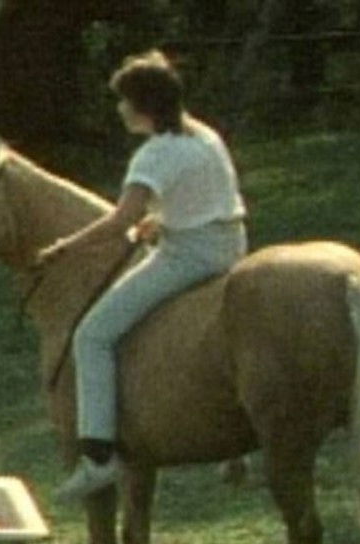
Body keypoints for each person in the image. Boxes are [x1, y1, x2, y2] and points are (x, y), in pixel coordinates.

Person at [54, 50, 248, 502]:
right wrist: (162, 220)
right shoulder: (205, 135)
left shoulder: (153, 155)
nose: (120, 109)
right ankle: (235, 449)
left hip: (188, 257)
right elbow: (208, 196)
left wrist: (65, 247)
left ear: (143, 106)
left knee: (92, 336)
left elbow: (119, 221)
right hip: (231, 245)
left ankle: (98, 457)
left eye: (125, 100)